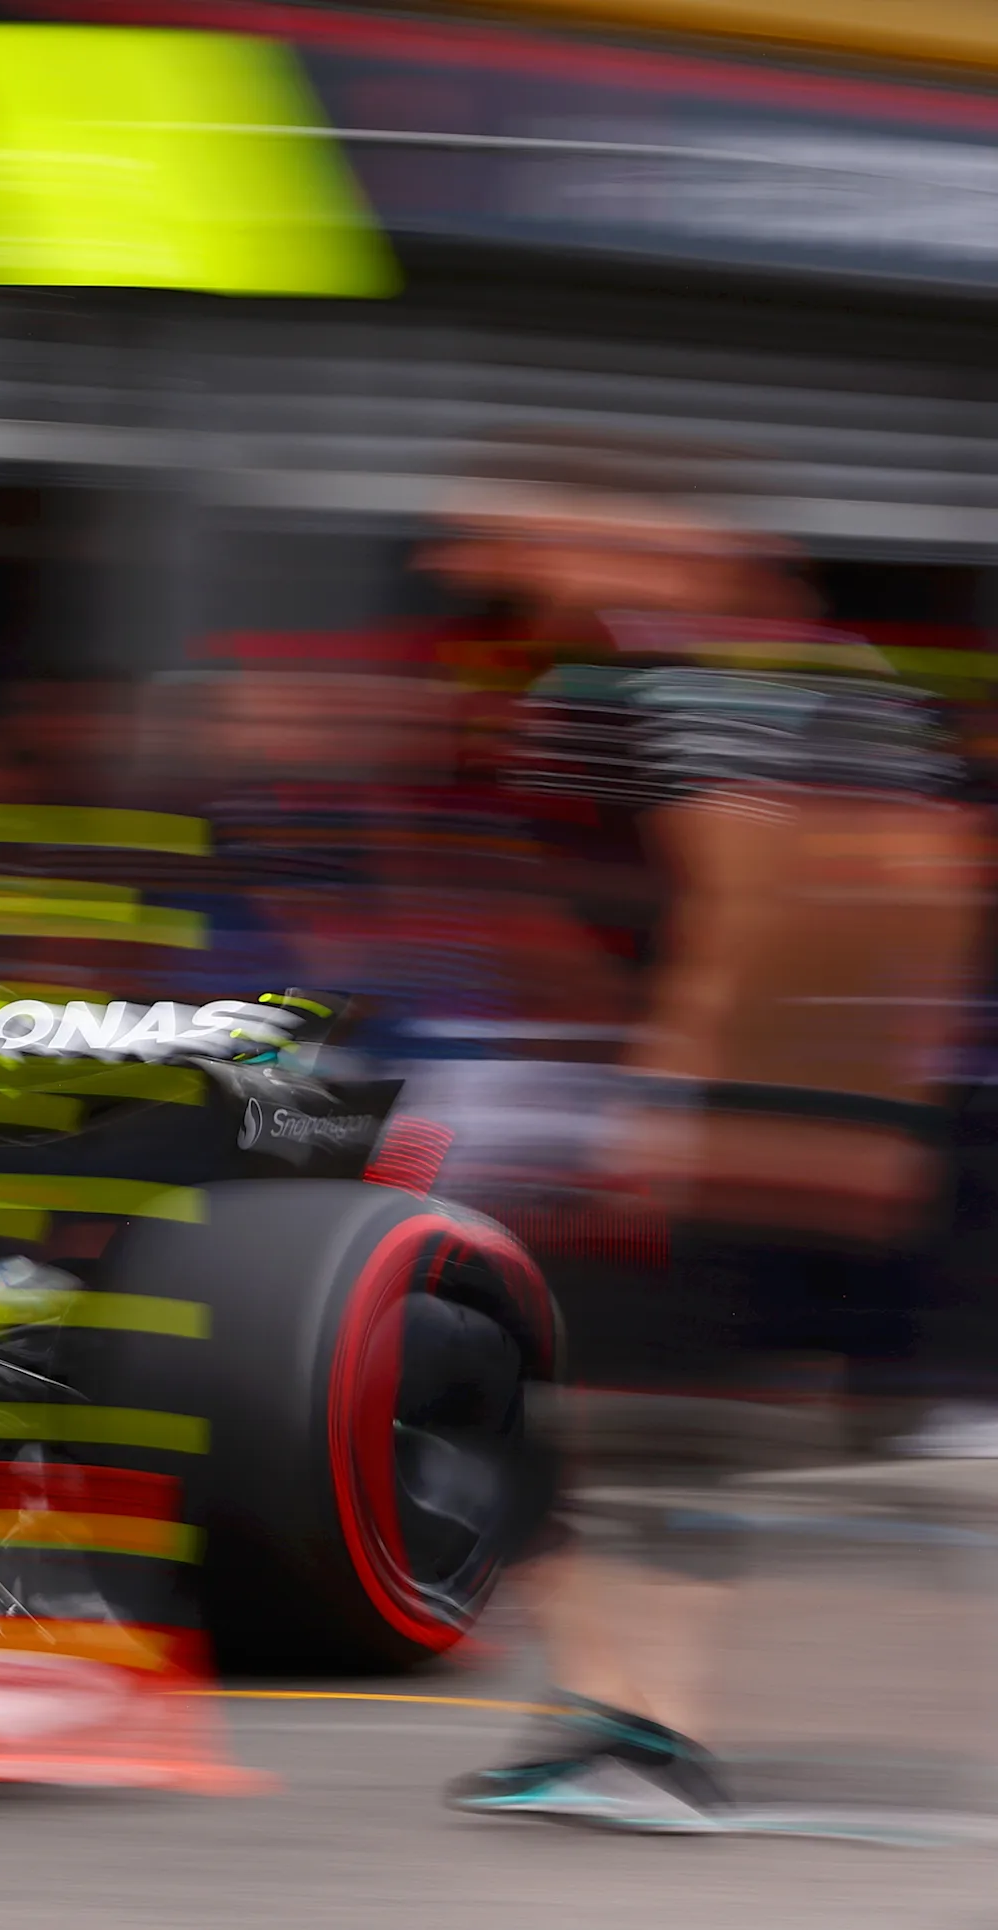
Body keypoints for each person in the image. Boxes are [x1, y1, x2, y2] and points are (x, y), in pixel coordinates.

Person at [428, 431, 980, 1830]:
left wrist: (673, 1089)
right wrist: (888, 1091)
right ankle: (618, 1717)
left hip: (685, 1109)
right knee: (655, 1425)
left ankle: (640, 1732)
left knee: (526, 1399)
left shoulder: (645, 680)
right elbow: (942, 882)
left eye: (518, 537)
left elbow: (733, 890)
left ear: (632, 542)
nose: (481, 567)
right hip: (823, 1103)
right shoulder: (853, 677)